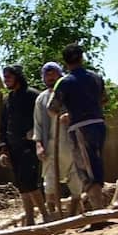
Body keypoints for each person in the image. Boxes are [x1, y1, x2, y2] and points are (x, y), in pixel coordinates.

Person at [50, 43, 109, 210]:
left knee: (87, 170)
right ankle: (97, 208)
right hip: (99, 125)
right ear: (82, 58)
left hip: (80, 128)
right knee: (95, 164)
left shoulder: (64, 82)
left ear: (65, 62)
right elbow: (104, 100)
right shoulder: (96, 77)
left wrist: (67, 114)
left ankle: (98, 212)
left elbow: (52, 108)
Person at [0, 65, 46, 225]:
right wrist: (4, 149)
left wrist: (35, 131)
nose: (6, 80)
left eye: (9, 77)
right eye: (5, 78)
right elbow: (3, 126)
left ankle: (45, 216)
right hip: (13, 148)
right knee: (22, 186)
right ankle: (30, 219)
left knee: (30, 183)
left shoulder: (33, 96)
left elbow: (44, 119)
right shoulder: (8, 100)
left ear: (17, 76)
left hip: (30, 146)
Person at [32, 61, 80, 217]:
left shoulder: (70, 93)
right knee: (50, 184)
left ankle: (73, 214)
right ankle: (52, 215)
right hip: (51, 146)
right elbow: (38, 124)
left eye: (54, 75)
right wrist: (39, 145)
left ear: (61, 75)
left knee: (76, 182)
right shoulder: (41, 99)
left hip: (73, 144)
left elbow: (83, 114)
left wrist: (71, 117)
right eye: (47, 75)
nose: (50, 78)